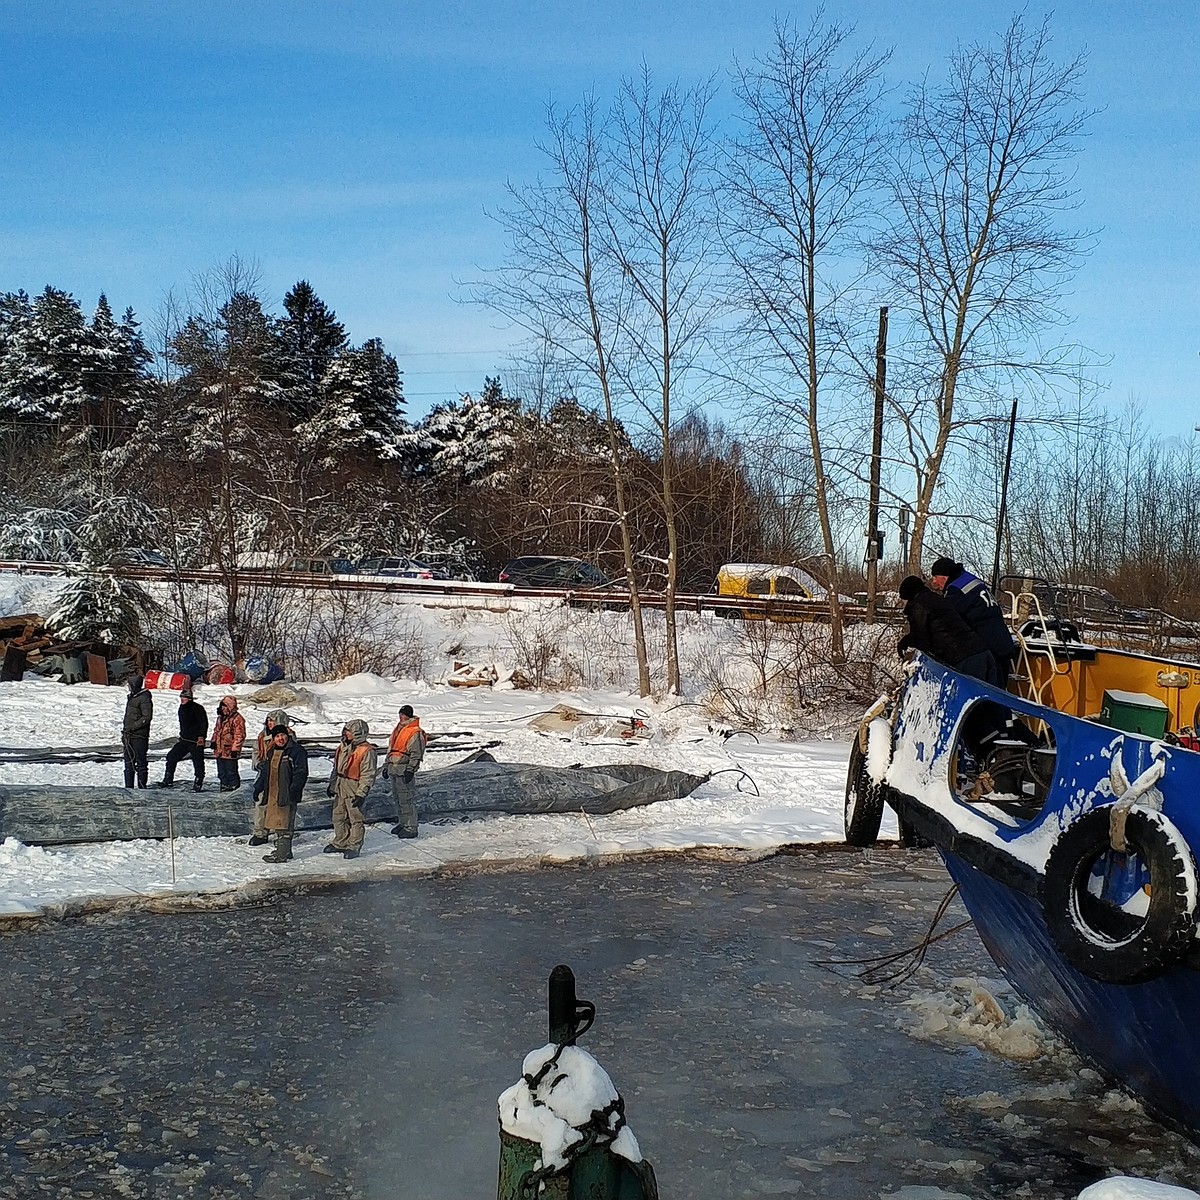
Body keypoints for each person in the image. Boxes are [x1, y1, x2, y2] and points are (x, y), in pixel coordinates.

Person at [929, 557, 1019, 686]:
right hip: (1002, 641)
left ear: (945, 575)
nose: (934, 581)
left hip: (986, 644)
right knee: (1000, 689)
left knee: (987, 690)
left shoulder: (956, 590)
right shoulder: (970, 580)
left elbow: (949, 621)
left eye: (935, 577)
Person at [897, 576, 998, 685]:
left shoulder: (917, 606)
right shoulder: (937, 599)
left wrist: (907, 647)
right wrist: (908, 639)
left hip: (964, 659)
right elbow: (937, 626)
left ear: (908, 597)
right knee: (993, 699)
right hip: (982, 652)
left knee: (970, 698)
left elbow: (921, 641)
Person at [252, 723, 309, 863]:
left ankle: (281, 854)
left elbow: (301, 772)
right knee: (277, 822)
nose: (280, 738)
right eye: (277, 736)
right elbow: (265, 771)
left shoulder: (296, 751)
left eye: (282, 735)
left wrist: (295, 789)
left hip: (287, 793)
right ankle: (285, 850)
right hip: (273, 794)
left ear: (287, 735)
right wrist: (258, 787)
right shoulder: (272, 751)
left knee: (285, 823)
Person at [323, 719, 378, 859]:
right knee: (338, 815)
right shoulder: (342, 747)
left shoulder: (367, 751)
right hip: (340, 784)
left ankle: (354, 845)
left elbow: (368, 774)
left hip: (354, 786)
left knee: (355, 818)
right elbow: (336, 768)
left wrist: (361, 793)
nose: (346, 733)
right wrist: (332, 784)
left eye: (349, 731)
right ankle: (340, 842)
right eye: (345, 731)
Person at [155, 685, 209, 791]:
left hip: (195, 741)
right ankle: (168, 779)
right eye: (181, 698)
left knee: (198, 762)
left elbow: (204, 724)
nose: (182, 700)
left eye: (184, 698)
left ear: (189, 699)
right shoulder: (182, 708)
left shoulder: (197, 708)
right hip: (184, 740)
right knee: (171, 757)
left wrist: (201, 737)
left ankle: (198, 782)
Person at [386, 704, 427, 838]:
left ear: (408, 716)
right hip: (394, 768)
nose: (401, 717)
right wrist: (386, 766)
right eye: (400, 714)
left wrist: (411, 769)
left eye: (403, 714)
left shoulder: (415, 732)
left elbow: (416, 753)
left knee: (406, 799)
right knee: (397, 798)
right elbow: (391, 749)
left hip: (404, 769)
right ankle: (403, 823)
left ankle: (411, 827)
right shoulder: (398, 729)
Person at [121, 675, 153, 789]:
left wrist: (133, 727)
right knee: (128, 763)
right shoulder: (132, 697)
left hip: (139, 736)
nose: (128, 688)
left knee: (141, 763)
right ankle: (128, 787)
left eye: (130, 685)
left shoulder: (144, 698)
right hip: (128, 735)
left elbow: (147, 717)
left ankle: (142, 787)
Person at [210, 695, 247, 792]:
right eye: (221, 706)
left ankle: (234, 788)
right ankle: (224, 785)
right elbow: (217, 731)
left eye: (224, 706)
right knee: (221, 771)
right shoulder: (220, 718)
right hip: (219, 750)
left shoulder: (237, 719)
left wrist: (235, 749)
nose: (222, 708)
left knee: (231, 771)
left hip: (230, 751)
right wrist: (214, 741)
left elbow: (239, 735)